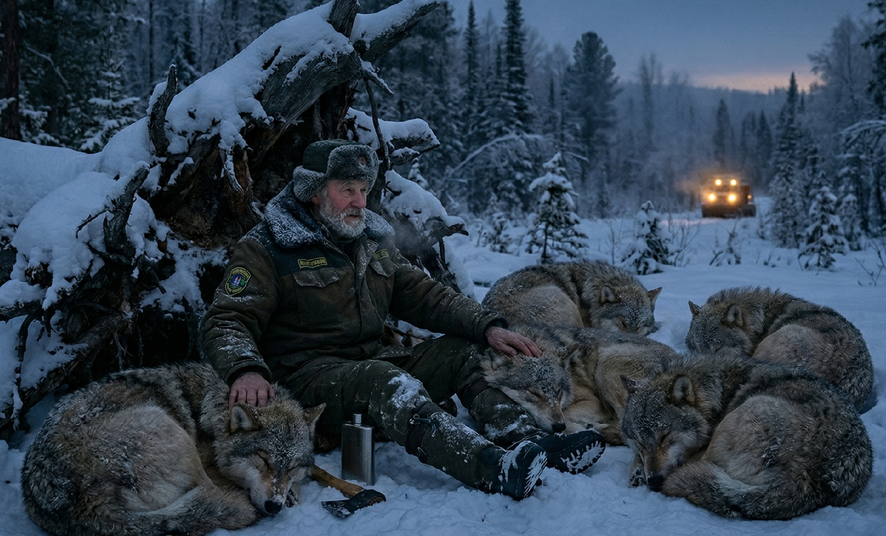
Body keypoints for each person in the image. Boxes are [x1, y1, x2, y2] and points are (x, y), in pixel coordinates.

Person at [200, 139, 603, 500]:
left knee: (466, 352)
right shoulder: (268, 247)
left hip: (374, 359)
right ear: (314, 193)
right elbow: (226, 319)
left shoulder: (371, 241)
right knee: (384, 380)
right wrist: (245, 371)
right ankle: (492, 469)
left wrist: (489, 325)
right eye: (347, 191)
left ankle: (527, 441)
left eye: (363, 190)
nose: (360, 202)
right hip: (309, 377)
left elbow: (424, 295)